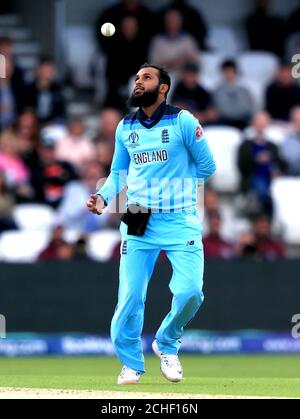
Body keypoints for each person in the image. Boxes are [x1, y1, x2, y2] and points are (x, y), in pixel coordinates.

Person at [86, 63, 216, 384]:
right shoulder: (125, 126)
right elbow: (119, 173)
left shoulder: (183, 121)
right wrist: (103, 197)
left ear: (163, 88)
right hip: (139, 215)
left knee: (191, 292)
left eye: (146, 78)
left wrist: (177, 192)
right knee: (130, 296)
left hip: (179, 218)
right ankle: (131, 362)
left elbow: (207, 165)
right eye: (136, 79)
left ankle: (167, 342)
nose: (138, 82)